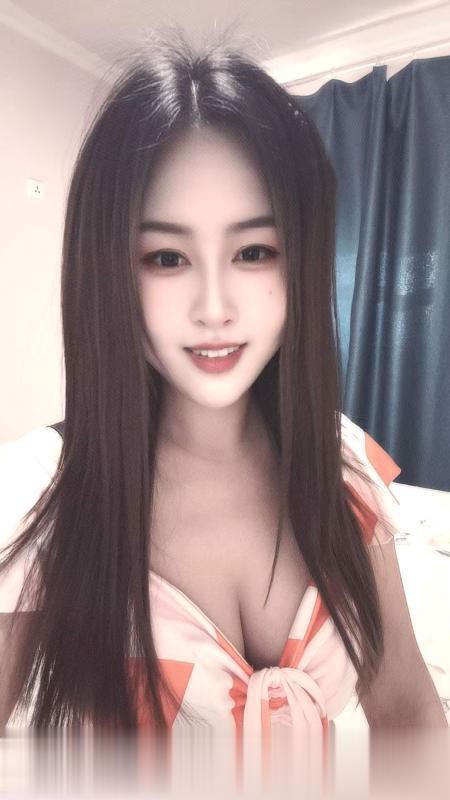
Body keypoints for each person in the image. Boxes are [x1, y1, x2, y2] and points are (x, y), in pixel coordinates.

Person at [0, 23, 446, 797]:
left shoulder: (343, 466)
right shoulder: (44, 494)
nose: (215, 308)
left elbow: (407, 710)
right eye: (167, 257)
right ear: (111, 271)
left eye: (254, 251)